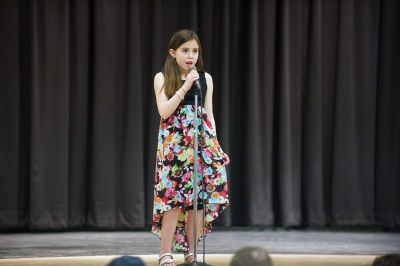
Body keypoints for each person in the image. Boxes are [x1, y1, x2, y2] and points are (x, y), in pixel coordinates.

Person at [151, 29, 230, 266]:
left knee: (197, 202)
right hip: (174, 148)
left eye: (195, 51)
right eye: (185, 50)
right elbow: (164, 111)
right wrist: (185, 87)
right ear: (173, 53)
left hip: (200, 146)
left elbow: (209, 115)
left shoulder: (206, 79)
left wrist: (216, 146)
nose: (191, 56)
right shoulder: (162, 77)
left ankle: (192, 252)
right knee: (173, 201)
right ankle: (165, 253)